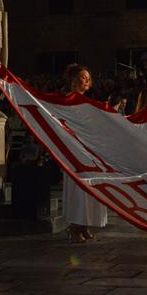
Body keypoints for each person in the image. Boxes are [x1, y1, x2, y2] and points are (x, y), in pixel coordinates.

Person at [61, 64, 108, 243]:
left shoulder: (86, 101)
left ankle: (84, 225)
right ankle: (74, 227)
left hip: (89, 148)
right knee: (78, 188)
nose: (87, 80)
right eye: (83, 77)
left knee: (90, 187)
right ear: (73, 80)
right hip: (74, 150)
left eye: (88, 77)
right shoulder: (68, 100)